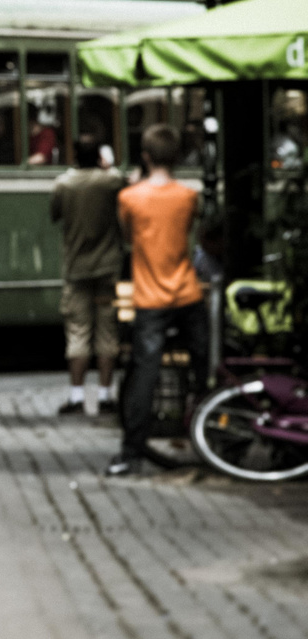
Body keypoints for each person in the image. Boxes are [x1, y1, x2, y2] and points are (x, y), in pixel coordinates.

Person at [106, 124, 208, 477]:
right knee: (202, 362)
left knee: (144, 375)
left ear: (145, 157)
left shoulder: (130, 198)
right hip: (187, 293)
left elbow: (128, 236)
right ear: (178, 157)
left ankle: (131, 453)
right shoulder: (188, 197)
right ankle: (211, 428)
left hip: (150, 298)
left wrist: (136, 181)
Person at [50, 136, 124, 416]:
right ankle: (106, 397)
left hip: (76, 269)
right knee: (107, 333)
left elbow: (55, 215)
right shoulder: (111, 181)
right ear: (100, 157)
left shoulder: (63, 184)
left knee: (78, 334)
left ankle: (76, 396)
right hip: (107, 268)